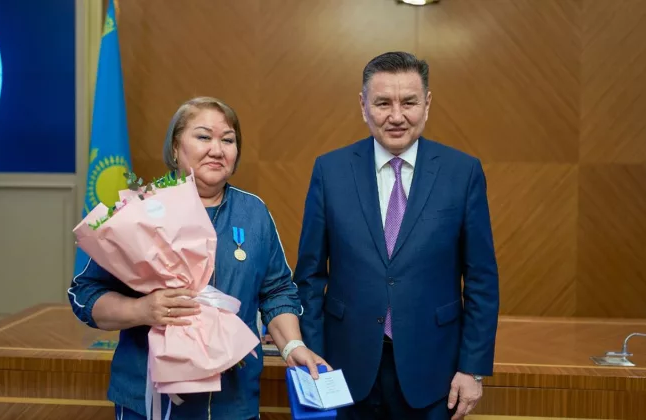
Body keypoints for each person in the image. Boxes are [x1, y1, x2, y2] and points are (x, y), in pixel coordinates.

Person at [69, 96, 328, 420]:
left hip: (233, 403)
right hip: (151, 403)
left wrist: (292, 346)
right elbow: (84, 294)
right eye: (204, 137)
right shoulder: (139, 212)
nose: (217, 150)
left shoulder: (254, 213)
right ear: (176, 147)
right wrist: (141, 309)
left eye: (228, 140)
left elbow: (277, 291)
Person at [294, 51, 500, 420]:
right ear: (363, 105)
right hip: (343, 366)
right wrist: (313, 354)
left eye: (409, 102)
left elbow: (481, 279)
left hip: (434, 369)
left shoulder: (462, 172)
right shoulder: (330, 170)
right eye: (383, 103)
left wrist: (472, 368)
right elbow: (309, 276)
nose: (396, 116)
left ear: (427, 104)